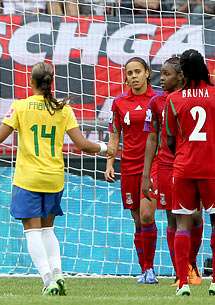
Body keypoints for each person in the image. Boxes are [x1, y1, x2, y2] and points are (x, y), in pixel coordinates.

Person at [0, 62, 111, 295]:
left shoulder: (21, 106)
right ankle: (58, 274)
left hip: (29, 179)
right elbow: (83, 145)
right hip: (54, 178)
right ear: (51, 82)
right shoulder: (63, 109)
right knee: (48, 230)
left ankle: (48, 280)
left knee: (32, 231)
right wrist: (108, 148)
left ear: (31, 82)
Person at [141, 56, 203, 286]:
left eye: (166, 74)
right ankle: (181, 272)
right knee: (173, 218)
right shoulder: (156, 103)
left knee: (195, 217)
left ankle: (191, 261)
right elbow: (152, 137)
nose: (162, 79)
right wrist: (147, 174)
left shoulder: (191, 100)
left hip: (191, 163)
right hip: (166, 167)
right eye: (162, 73)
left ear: (181, 77)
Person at [164, 49, 215, 296]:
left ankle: (183, 283)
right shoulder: (214, 95)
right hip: (211, 167)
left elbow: (171, 138)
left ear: (183, 72)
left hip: (184, 167)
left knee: (182, 223)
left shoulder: (173, 100)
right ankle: (214, 281)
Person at [105, 57, 158, 284]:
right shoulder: (119, 102)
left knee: (147, 215)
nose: (134, 76)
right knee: (137, 220)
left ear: (147, 73)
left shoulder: (158, 99)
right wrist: (109, 162)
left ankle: (154, 269)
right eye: (129, 73)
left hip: (153, 164)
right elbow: (115, 133)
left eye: (138, 71)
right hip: (129, 165)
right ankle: (145, 269)